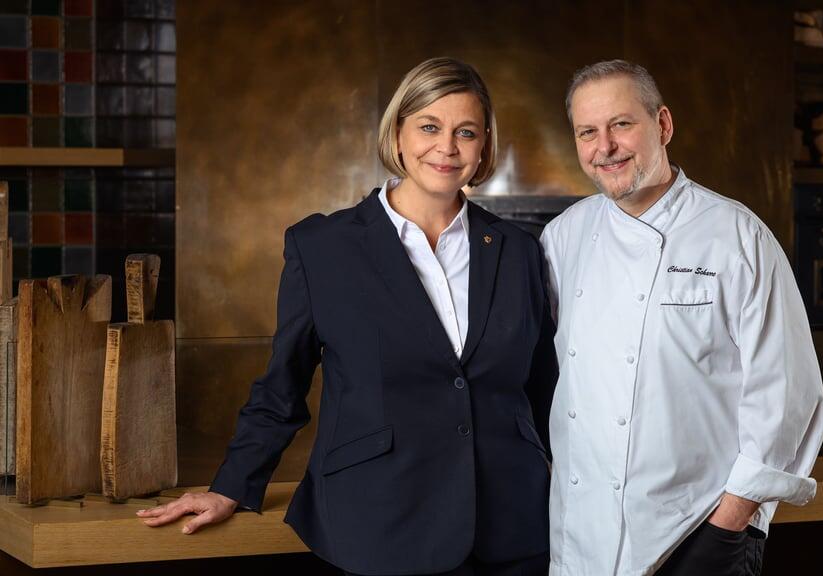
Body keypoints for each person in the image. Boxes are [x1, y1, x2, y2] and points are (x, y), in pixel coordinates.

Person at [138, 57, 557, 576]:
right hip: (380, 524)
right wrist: (232, 485)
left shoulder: (518, 250)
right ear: (397, 134)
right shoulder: (323, 247)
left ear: (484, 145)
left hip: (512, 528)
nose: (447, 147)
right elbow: (283, 384)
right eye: (429, 127)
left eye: (465, 132)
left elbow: (545, 390)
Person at [539, 59, 823, 576]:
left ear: (663, 125)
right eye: (588, 132)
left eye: (621, 124)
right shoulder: (563, 237)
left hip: (696, 535)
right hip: (582, 536)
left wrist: (729, 523)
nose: (605, 147)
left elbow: (787, 393)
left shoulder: (737, 236)